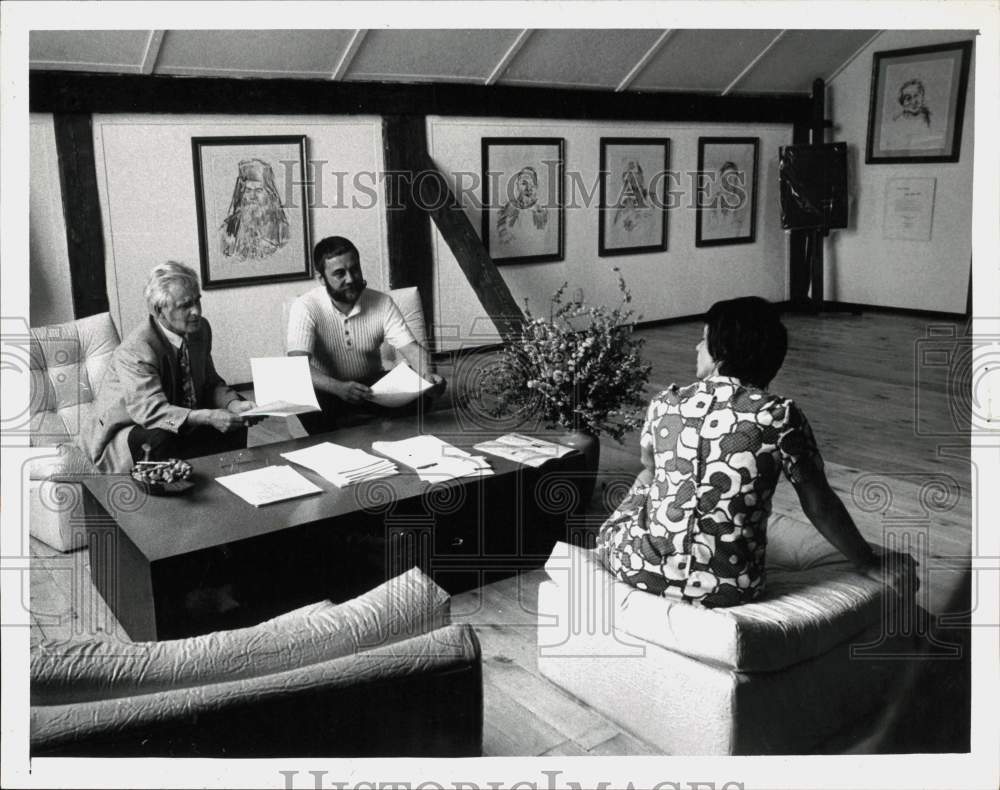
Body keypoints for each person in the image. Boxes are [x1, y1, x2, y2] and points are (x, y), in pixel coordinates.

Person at [596, 296, 915, 608]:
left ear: (721, 351)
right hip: (734, 587)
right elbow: (819, 505)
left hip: (638, 569)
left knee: (647, 481)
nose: (696, 347)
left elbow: (648, 471)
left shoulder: (664, 403)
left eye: (703, 340)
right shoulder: (781, 416)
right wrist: (868, 561)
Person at [79, 261, 260, 473]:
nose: (196, 311)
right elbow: (151, 412)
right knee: (160, 437)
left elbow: (210, 383)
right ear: (159, 310)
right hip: (126, 433)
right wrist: (209, 416)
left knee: (236, 420)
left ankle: (223, 483)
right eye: (185, 305)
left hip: (178, 420)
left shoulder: (200, 330)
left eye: (197, 301)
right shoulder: (136, 349)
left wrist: (232, 405)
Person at [286, 236, 446, 434]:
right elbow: (296, 365)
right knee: (301, 396)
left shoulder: (382, 302)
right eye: (339, 274)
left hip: (371, 388)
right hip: (328, 390)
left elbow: (412, 349)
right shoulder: (305, 306)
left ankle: (399, 440)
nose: (351, 279)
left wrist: (427, 375)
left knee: (420, 388)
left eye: (354, 269)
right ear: (321, 278)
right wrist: (338, 388)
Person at [219, 158, 291, 261]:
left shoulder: (282, 229)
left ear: (269, 195)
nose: (252, 196)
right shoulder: (228, 228)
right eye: (248, 190)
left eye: (258, 190)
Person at [497, 165, 549, 245]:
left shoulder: (542, 213)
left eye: (532, 184)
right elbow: (501, 236)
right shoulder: (506, 208)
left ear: (536, 186)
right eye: (524, 183)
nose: (528, 188)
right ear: (517, 185)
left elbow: (540, 239)